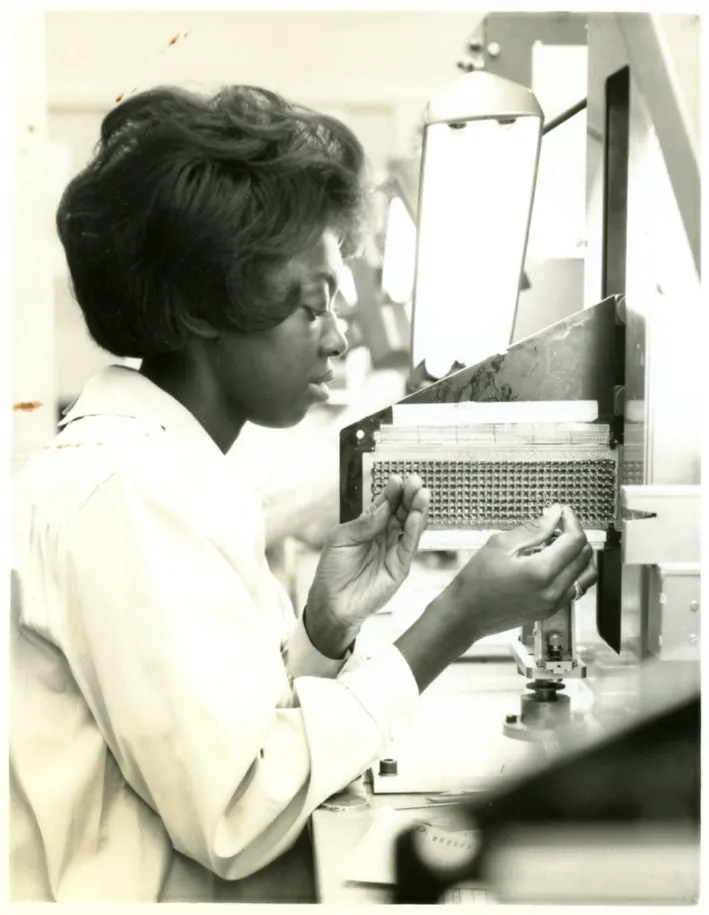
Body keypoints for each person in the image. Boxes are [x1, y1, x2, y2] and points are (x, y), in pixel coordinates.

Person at [10, 85, 598, 903]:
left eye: (338, 297)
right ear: (201, 308)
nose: (338, 333)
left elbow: (223, 733)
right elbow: (239, 813)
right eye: (309, 301)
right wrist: (452, 619)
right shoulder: (126, 494)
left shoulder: (167, 470)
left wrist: (323, 630)